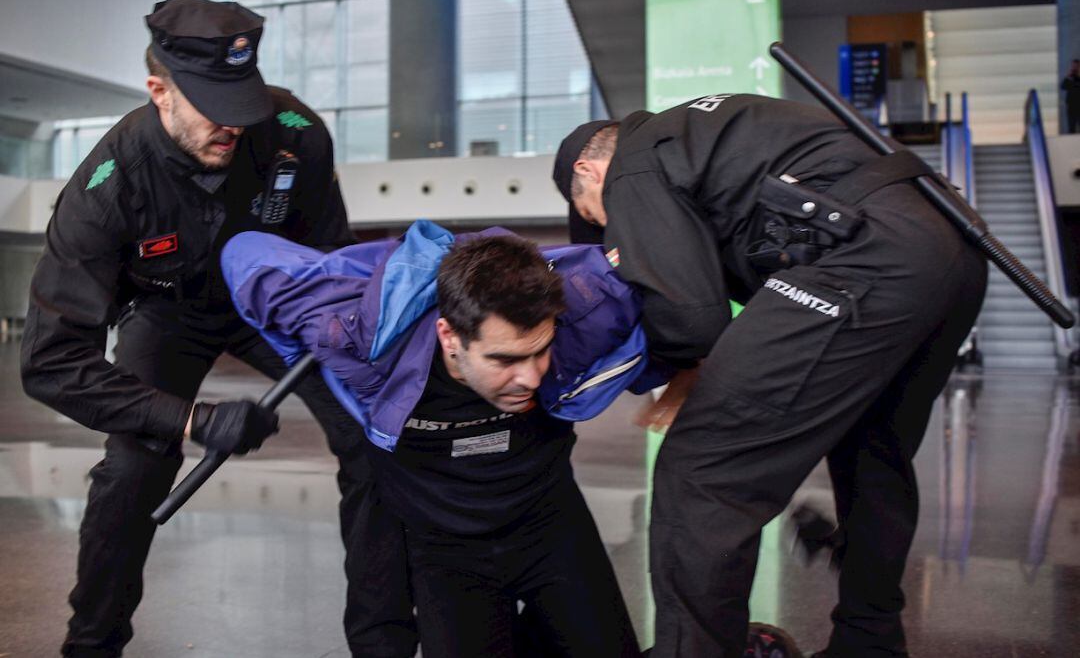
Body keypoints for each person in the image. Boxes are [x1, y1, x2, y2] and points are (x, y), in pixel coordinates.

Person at [20, 0, 414, 658]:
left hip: (277, 304)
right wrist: (193, 420)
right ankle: (92, 642)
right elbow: (49, 362)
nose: (233, 126)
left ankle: (384, 643)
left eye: (242, 102)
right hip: (167, 312)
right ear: (158, 92)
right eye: (211, 106)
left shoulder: (296, 134)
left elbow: (330, 262)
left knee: (371, 436)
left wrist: (349, 340)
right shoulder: (105, 188)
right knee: (134, 466)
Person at [553, 93, 988, 657]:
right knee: (873, 456)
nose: (606, 225)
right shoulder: (709, 131)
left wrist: (663, 367)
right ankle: (870, 642)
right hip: (951, 247)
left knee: (703, 475)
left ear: (588, 171)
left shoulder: (634, 162)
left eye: (591, 211)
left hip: (866, 259)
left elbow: (691, 319)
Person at [219, 221, 662, 657]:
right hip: (447, 555)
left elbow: (678, 301)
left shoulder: (584, 317)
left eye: (540, 350)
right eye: (504, 359)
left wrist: (681, 377)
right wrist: (301, 348)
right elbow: (244, 250)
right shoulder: (357, 344)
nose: (529, 377)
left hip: (552, 530)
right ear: (450, 336)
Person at [1062, 59, 1080, 134]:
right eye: (1073, 66)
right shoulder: (1070, 77)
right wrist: (1068, 77)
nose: (1074, 68)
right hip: (1071, 105)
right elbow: (1063, 86)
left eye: (1076, 66)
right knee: (1071, 126)